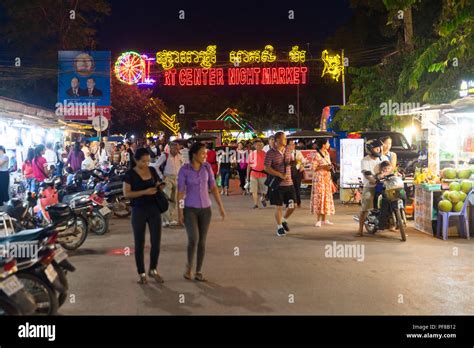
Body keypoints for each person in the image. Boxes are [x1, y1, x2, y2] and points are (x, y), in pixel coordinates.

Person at [177, 142, 226, 282]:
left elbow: (214, 187)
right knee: (194, 238)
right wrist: (180, 212)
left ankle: (198, 271)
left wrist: (220, 206)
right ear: (194, 155)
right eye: (202, 153)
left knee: (202, 241)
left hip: (206, 210)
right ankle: (188, 266)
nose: (205, 155)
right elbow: (180, 193)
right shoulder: (184, 170)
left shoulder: (207, 167)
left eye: (205, 153)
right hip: (190, 209)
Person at [123, 148, 165, 284]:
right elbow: (127, 194)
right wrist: (145, 192)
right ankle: (141, 273)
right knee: (139, 243)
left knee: (156, 242)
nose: (146, 163)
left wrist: (159, 186)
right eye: (143, 161)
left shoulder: (152, 170)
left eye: (148, 161)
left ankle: (153, 269)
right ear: (136, 160)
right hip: (139, 210)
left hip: (154, 209)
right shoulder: (129, 174)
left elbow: (157, 182)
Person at [264, 131, 296, 237]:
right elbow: (266, 168)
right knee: (278, 207)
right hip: (278, 185)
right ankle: (279, 227)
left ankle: (284, 219)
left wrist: (296, 162)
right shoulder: (270, 153)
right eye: (284, 138)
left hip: (289, 183)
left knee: (293, 205)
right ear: (278, 140)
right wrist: (279, 174)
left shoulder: (288, 150)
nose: (286, 140)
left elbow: (291, 161)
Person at [357, 139, 389, 236]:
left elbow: (390, 168)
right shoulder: (365, 160)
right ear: (370, 149)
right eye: (376, 148)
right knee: (365, 206)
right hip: (370, 186)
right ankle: (360, 229)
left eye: (380, 147)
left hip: (384, 185)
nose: (379, 149)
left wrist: (390, 173)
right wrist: (374, 179)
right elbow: (367, 174)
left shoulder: (383, 158)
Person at [153, 142, 183, 227]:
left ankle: (170, 219)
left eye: (178, 148)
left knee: (173, 200)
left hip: (177, 179)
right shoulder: (165, 156)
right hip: (167, 178)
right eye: (176, 148)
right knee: (166, 199)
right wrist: (161, 176)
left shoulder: (179, 156)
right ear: (171, 148)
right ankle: (164, 220)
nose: (177, 150)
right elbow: (156, 166)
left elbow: (183, 166)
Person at [310, 138, 336, 227]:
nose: (329, 144)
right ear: (323, 145)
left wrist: (329, 167)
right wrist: (323, 167)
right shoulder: (316, 155)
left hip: (327, 179)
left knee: (326, 198)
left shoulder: (327, 154)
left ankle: (324, 219)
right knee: (319, 198)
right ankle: (318, 220)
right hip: (319, 180)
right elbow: (313, 168)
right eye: (328, 142)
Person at [247, 139, 268, 209]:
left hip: (263, 174)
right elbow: (249, 165)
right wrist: (247, 176)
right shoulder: (251, 154)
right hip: (253, 174)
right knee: (254, 190)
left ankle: (263, 198)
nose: (259, 146)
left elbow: (268, 165)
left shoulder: (265, 154)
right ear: (255, 146)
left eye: (260, 145)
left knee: (264, 190)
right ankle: (255, 204)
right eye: (257, 145)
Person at [288, 139, 305, 208]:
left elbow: (303, 161)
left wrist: (302, 166)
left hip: (297, 172)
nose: (292, 146)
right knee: (289, 188)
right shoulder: (285, 153)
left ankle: (298, 202)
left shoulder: (297, 152)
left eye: (293, 144)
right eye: (291, 144)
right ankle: (290, 202)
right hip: (288, 172)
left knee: (297, 188)